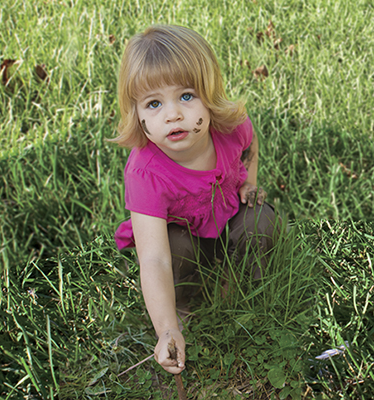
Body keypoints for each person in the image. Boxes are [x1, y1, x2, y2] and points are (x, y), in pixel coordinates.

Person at [111, 25, 277, 375]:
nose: (172, 114)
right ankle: (183, 307)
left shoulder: (230, 128)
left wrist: (249, 182)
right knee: (175, 247)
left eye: (186, 96)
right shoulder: (145, 173)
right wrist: (166, 327)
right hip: (183, 244)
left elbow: (251, 145)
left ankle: (238, 293)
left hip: (226, 220)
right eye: (154, 103)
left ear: (210, 94)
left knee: (261, 220)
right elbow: (154, 258)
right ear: (137, 114)